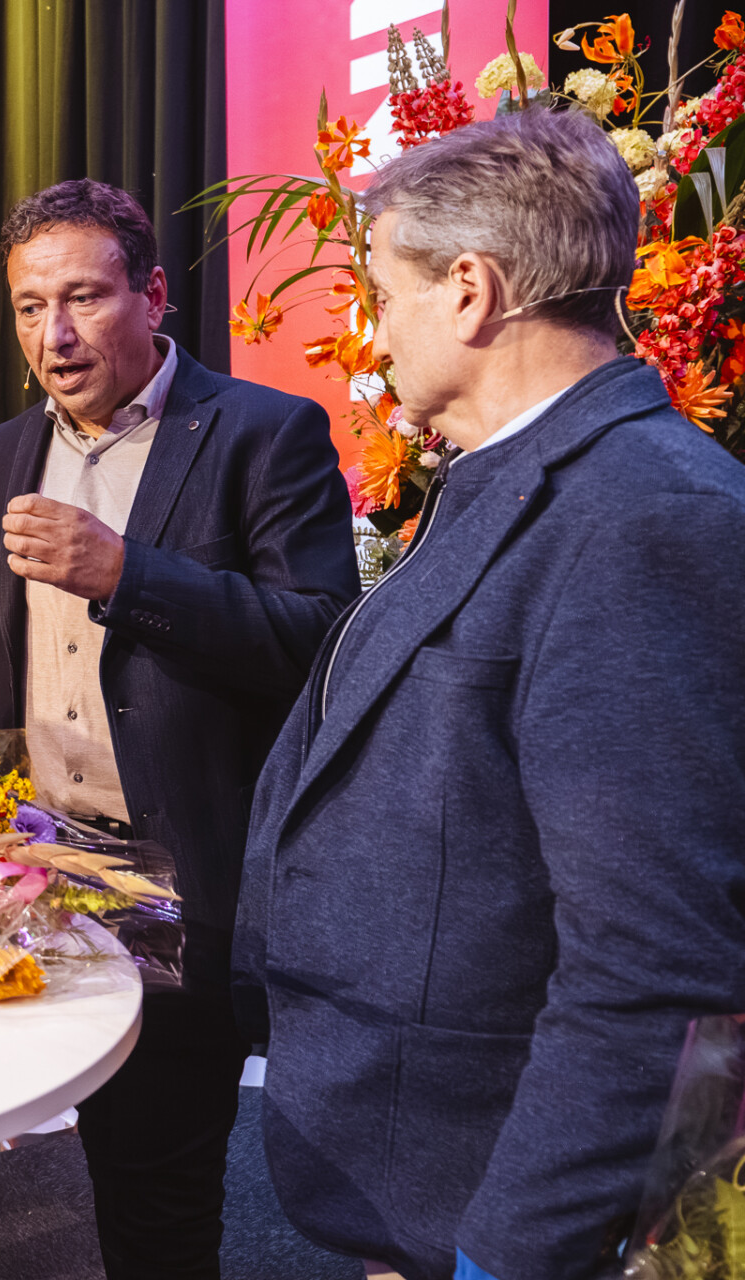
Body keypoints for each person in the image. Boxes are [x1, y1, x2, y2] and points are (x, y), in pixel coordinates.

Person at [233, 108, 745, 1280]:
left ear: (469, 291)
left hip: (502, 1203)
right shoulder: (521, 470)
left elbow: (653, 969)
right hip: (424, 1170)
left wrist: (507, 1253)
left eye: (383, 294)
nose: (374, 331)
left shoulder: (643, 515)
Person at [0, 178, 359, 1278]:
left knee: (160, 1187)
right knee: (88, 1155)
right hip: (38, 865)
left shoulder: (262, 432)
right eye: (30, 307)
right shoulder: (2, 452)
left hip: (178, 879)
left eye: (83, 297)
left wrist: (129, 574)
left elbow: (321, 642)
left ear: (154, 294)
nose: (54, 336)